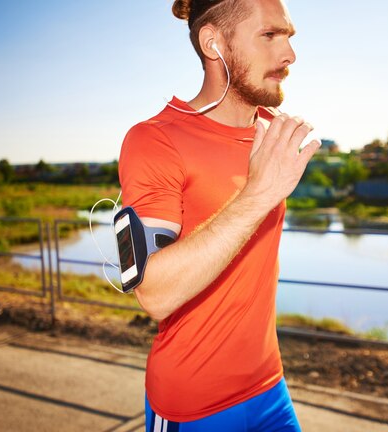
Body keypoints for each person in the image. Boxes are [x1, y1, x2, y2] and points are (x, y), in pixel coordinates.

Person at [118, 0, 320, 430]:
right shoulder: (155, 141)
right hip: (193, 406)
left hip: (270, 388)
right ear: (213, 43)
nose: (289, 55)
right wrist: (257, 194)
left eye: (288, 36)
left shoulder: (271, 131)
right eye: (269, 35)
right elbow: (153, 294)